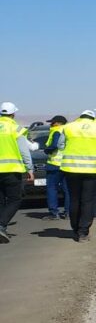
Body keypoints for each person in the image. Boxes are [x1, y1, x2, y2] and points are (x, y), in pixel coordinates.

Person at [58, 110, 96, 242]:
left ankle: (75, 228)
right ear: (93, 119)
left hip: (71, 169)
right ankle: (83, 232)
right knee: (88, 201)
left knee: (74, 199)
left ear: (80, 117)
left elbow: (60, 145)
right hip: (92, 170)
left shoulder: (68, 127)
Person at [0, 102, 35, 243]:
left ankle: (2, 226)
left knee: (1, 200)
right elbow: (24, 151)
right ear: (13, 114)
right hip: (11, 170)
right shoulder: (15, 128)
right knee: (15, 199)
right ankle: (1, 225)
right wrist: (29, 169)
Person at [43, 115, 71, 220]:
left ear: (58, 123)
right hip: (67, 164)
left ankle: (54, 213)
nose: (51, 124)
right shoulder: (69, 131)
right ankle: (68, 212)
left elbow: (55, 145)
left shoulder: (56, 131)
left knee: (52, 188)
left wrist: (47, 150)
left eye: (53, 122)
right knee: (67, 189)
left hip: (55, 164)